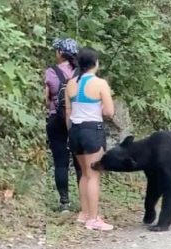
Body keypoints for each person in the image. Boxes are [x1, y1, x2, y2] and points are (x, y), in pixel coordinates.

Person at [65, 47, 115, 231]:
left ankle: (84, 213)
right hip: (92, 130)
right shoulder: (100, 83)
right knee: (93, 175)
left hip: (75, 131)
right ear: (95, 64)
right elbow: (109, 112)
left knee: (84, 174)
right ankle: (93, 219)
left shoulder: (70, 84)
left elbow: (68, 113)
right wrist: (101, 106)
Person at [44, 38, 82, 213]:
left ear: (61, 52)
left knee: (61, 163)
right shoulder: (81, 73)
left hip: (56, 120)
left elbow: (46, 99)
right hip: (78, 120)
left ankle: (64, 202)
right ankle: (85, 202)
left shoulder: (51, 72)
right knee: (80, 162)